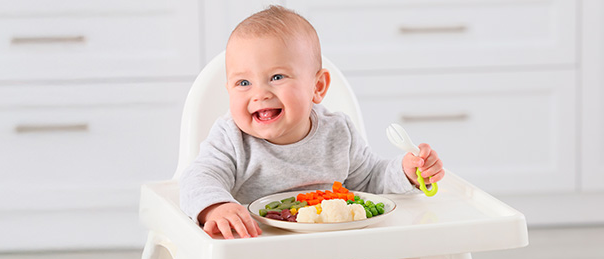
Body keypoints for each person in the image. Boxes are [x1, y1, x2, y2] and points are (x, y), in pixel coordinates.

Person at [179, 5, 445, 240]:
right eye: (244, 83)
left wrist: (407, 172)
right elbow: (199, 178)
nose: (260, 94)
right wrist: (217, 207)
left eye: (277, 77)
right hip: (263, 251)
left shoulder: (337, 132)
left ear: (317, 86)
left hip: (334, 248)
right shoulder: (231, 138)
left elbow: (370, 178)